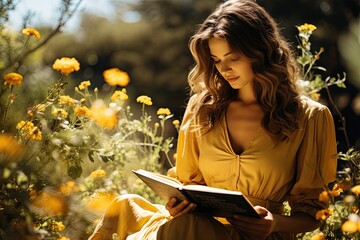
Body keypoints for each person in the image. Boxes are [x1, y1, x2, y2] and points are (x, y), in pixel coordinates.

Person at [88, 0, 338, 239]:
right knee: (124, 206)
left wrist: (274, 224)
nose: (224, 69)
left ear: (261, 52)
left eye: (234, 58)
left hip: (260, 236)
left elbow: (314, 212)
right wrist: (177, 205)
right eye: (217, 60)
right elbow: (187, 183)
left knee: (184, 228)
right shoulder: (202, 108)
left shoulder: (310, 117)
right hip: (196, 226)